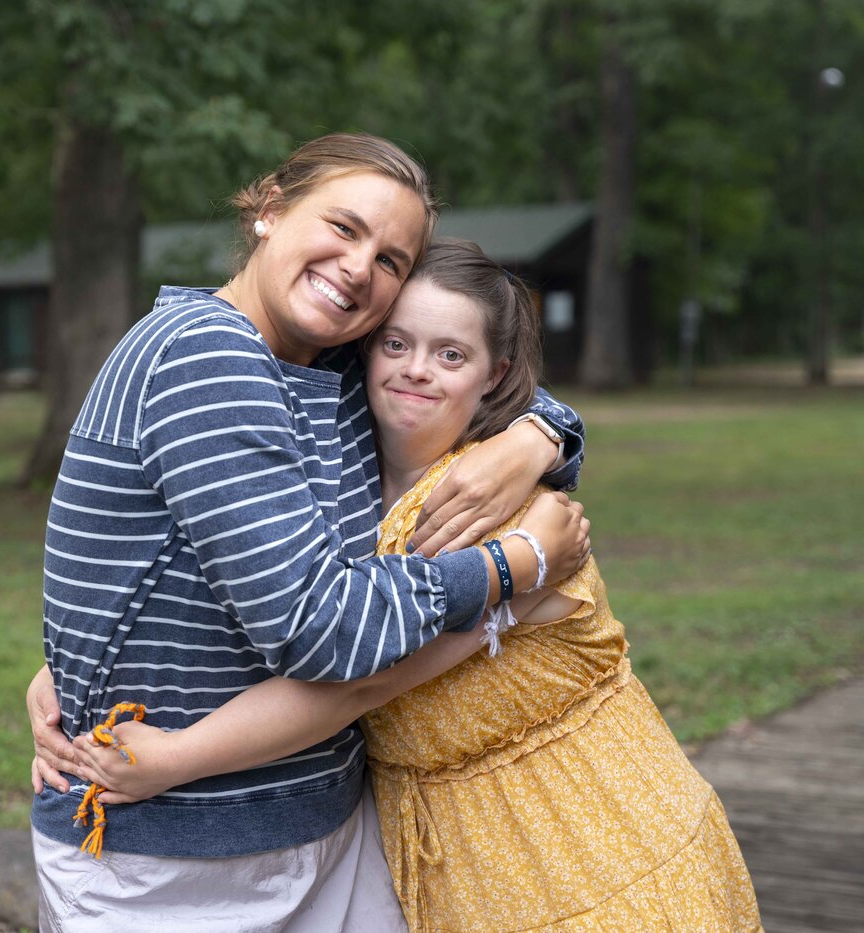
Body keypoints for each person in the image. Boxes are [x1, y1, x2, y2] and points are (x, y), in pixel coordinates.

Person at [61, 240, 763, 932]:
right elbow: (231, 570)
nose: (417, 370)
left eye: (451, 355)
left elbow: (362, 682)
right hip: (454, 859)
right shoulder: (340, 476)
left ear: (496, 374)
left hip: (590, 841)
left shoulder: (509, 515)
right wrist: (74, 662)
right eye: (396, 344)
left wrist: (172, 760)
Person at [26, 135, 592, 930]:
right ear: (268, 211)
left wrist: (542, 438)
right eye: (344, 227)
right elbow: (319, 627)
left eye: (392, 260)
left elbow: (491, 382)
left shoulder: (328, 369)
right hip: (171, 865)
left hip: (328, 833)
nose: (362, 268)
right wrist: (510, 565)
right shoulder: (203, 353)